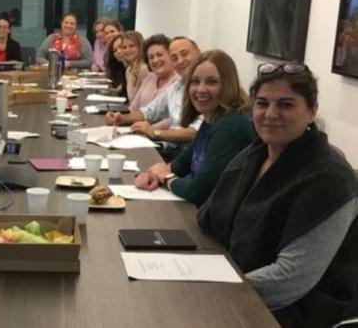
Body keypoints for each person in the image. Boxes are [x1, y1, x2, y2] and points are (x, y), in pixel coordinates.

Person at [198, 64, 358, 327]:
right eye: (262, 103)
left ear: (312, 110)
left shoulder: (331, 179)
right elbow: (209, 217)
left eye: (286, 105)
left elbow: (290, 279)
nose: (270, 114)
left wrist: (208, 290)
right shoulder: (254, 154)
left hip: (289, 312)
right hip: (235, 288)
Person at [134, 50, 255, 206]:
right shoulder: (211, 119)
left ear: (228, 85)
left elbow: (199, 192)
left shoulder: (230, 126)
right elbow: (183, 163)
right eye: (195, 81)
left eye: (211, 82)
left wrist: (166, 177)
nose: (201, 89)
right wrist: (155, 174)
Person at [105, 36, 202, 147]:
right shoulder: (177, 86)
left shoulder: (205, 90)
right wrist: (121, 119)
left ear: (198, 53)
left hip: (187, 153)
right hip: (170, 148)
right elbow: (151, 111)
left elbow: (195, 132)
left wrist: (154, 132)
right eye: (174, 58)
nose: (180, 60)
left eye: (184, 54)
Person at [129, 33, 181, 112]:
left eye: (159, 55)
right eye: (151, 57)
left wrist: (148, 125)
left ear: (171, 55)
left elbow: (172, 117)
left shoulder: (179, 81)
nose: (155, 60)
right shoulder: (150, 77)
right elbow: (133, 107)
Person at [120, 30, 150, 102]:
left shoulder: (144, 69)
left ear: (140, 47)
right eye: (124, 47)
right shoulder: (129, 70)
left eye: (132, 46)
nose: (127, 50)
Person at [105, 33, 127, 98]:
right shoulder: (123, 68)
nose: (118, 51)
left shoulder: (139, 69)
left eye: (121, 47)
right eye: (115, 50)